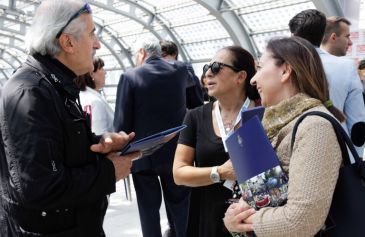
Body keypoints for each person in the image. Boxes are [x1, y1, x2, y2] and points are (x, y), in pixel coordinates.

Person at [0, 1, 140, 236]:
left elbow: (55, 148)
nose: (97, 44)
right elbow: (39, 186)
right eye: (92, 34)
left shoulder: (51, 85)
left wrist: (100, 143)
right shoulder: (31, 93)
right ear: (68, 42)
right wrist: (109, 171)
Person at [223, 36, 343, 237]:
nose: (253, 79)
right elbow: (263, 195)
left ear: (285, 71)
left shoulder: (314, 127)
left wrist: (244, 221)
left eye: (260, 68)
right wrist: (235, 217)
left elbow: (301, 220)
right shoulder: (274, 124)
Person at [173, 46, 260, 237]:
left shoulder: (262, 114)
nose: (208, 73)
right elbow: (179, 173)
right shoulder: (195, 117)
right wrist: (219, 172)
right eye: (206, 67)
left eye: (217, 67)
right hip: (208, 218)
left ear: (241, 76)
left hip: (253, 220)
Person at [114, 38, 190, 237]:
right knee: (181, 206)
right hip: (177, 152)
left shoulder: (130, 76)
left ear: (141, 53)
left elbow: (122, 122)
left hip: (143, 155)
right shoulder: (181, 70)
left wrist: (121, 153)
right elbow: (195, 105)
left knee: (148, 210)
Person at [289, 9, 365, 155]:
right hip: (338, 152)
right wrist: (353, 159)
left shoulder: (283, 68)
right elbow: (358, 123)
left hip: (295, 153)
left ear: (293, 36)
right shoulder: (347, 67)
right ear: (322, 35)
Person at [160, 40, 204, 109]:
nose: (161, 59)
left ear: (174, 54)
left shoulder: (187, 73)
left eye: (163, 55)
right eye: (158, 57)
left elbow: (197, 103)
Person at [75, 57, 114, 135]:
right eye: (101, 68)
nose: (105, 72)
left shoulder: (82, 95)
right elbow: (100, 135)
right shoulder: (95, 101)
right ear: (91, 73)